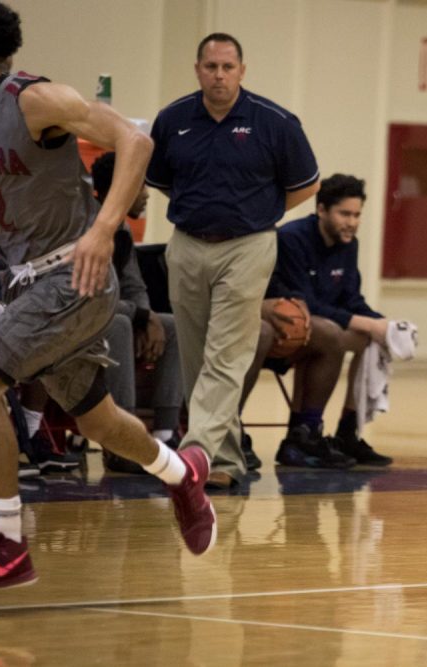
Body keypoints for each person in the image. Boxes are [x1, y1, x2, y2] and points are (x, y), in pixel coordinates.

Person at [0, 0, 216, 587]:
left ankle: (6, 539)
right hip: (26, 285)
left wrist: (103, 229)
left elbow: (134, 144)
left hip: (75, 277)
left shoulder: (33, 99)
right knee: (100, 423)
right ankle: (180, 472)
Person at [146, 32, 320, 489]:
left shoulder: (275, 122)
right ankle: (224, 463)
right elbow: (161, 180)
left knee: (226, 354)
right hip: (186, 243)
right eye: (210, 67)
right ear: (197, 69)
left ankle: (194, 453)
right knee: (195, 355)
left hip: (248, 246)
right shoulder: (172, 120)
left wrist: (264, 212)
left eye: (227, 67)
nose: (219, 75)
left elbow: (307, 184)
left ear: (242, 70)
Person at [244, 173, 394, 468]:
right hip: (279, 325)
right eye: (344, 214)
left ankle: (346, 432)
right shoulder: (291, 238)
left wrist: (385, 324)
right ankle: (297, 431)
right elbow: (306, 304)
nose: (351, 222)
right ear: (321, 210)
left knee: (372, 338)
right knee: (332, 333)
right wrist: (367, 323)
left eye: (357, 215)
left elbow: (352, 299)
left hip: (315, 327)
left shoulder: (349, 244)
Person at [91, 151, 183, 473]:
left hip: (110, 314)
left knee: (173, 325)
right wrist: (140, 317)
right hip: (72, 321)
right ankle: (121, 441)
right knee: (119, 324)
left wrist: (149, 316)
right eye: (141, 186)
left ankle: (165, 435)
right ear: (122, 187)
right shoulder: (84, 226)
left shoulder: (123, 229)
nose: (146, 194)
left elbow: (133, 284)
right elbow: (88, 297)